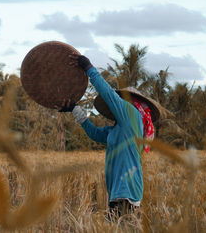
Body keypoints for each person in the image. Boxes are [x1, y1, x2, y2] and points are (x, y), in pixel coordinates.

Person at [56, 54, 160, 220]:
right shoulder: (120, 128)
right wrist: (75, 109)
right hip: (118, 192)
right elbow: (95, 134)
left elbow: (108, 94)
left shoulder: (131, 115)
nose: (117, 103)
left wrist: (89, 68)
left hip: (126, 192)